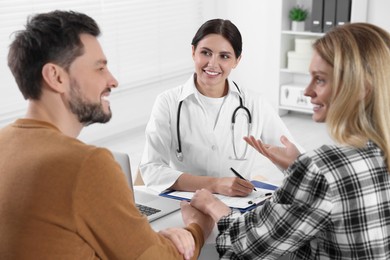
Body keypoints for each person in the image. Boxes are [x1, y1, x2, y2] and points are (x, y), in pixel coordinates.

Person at [0, 10, 214, 259]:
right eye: (100, 68)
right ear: (56, 77)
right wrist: (197, 229)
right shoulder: (84, 165)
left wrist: (151, 241)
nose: (113, 81)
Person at [183, 22, 390, 259]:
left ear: (361, 88)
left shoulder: (322, 168)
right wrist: (297, 166)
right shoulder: (375, 154)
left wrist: (212, 206)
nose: (307, 91)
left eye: (320, 80)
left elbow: (249, 246)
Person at [139, 19, 302, 196]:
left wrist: (291, 164)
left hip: (239, 206)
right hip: (186, 203)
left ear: (237, 60)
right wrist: (214, 184)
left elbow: (296, 162)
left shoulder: (255, 104)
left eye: (224, 56)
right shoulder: (168, 102)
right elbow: (151, 170)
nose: (212, 64)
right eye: (206, 53)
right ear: (193, 52)